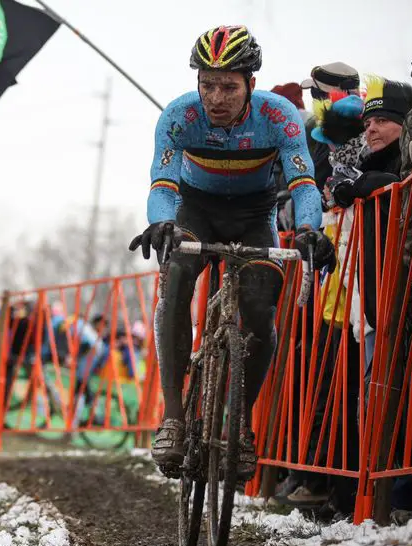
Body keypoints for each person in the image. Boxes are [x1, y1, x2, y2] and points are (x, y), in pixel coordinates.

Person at [128, 25, 332, 481]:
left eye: (228, 86)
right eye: (207, 85)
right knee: (176, 279)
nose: (216, 98)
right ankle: (175, 418)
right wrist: (162, 221)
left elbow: (302, 183)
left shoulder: (279, 117)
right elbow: (162, 182)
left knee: (261, 310)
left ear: (251, 86)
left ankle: (239, 425)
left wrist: (307, 230)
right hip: (194, 209)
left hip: (253, 214)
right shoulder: (179, 116)